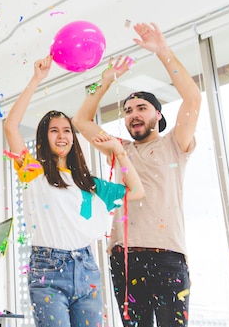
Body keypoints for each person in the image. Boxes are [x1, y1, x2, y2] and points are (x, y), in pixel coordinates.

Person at [72, 22, 201, 327]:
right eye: (128, 110)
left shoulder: (175, 144)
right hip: (124, 258)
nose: (133, 115)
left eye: (141, 108)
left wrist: (162, 51)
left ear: (158, 115)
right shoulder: (120, 149)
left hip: (167, 255)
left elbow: (193, 99)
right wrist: (104, 81)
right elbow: (81, 120)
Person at [3, 55, 145, 327]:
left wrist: (119, 152)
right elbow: (11, 126)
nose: (62, 135)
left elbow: (136, 191)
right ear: (44, 137)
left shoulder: (90, 184)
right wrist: (36, 79)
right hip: (48, 270)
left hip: (87, 268)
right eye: (54, 130)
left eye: (67, 130)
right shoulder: (33, 171)